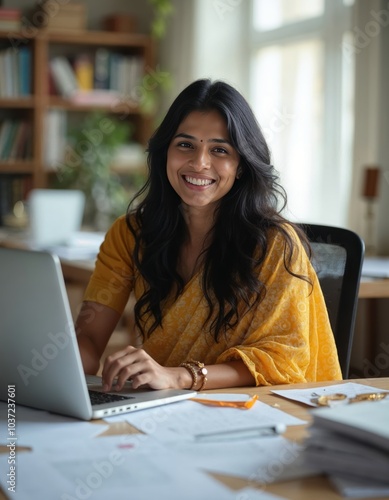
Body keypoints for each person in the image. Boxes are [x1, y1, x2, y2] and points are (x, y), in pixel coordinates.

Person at [75, 78, 342, 393]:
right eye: (185, 144)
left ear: (241, 164)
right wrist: (45, 375)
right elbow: (90, 339)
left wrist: (181, 376)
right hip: (161, 407)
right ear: (165, 154)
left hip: (257, 410)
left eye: (219, 150)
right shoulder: (129, 234)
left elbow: (284, 361)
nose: (200, 163)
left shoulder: (275, 246)